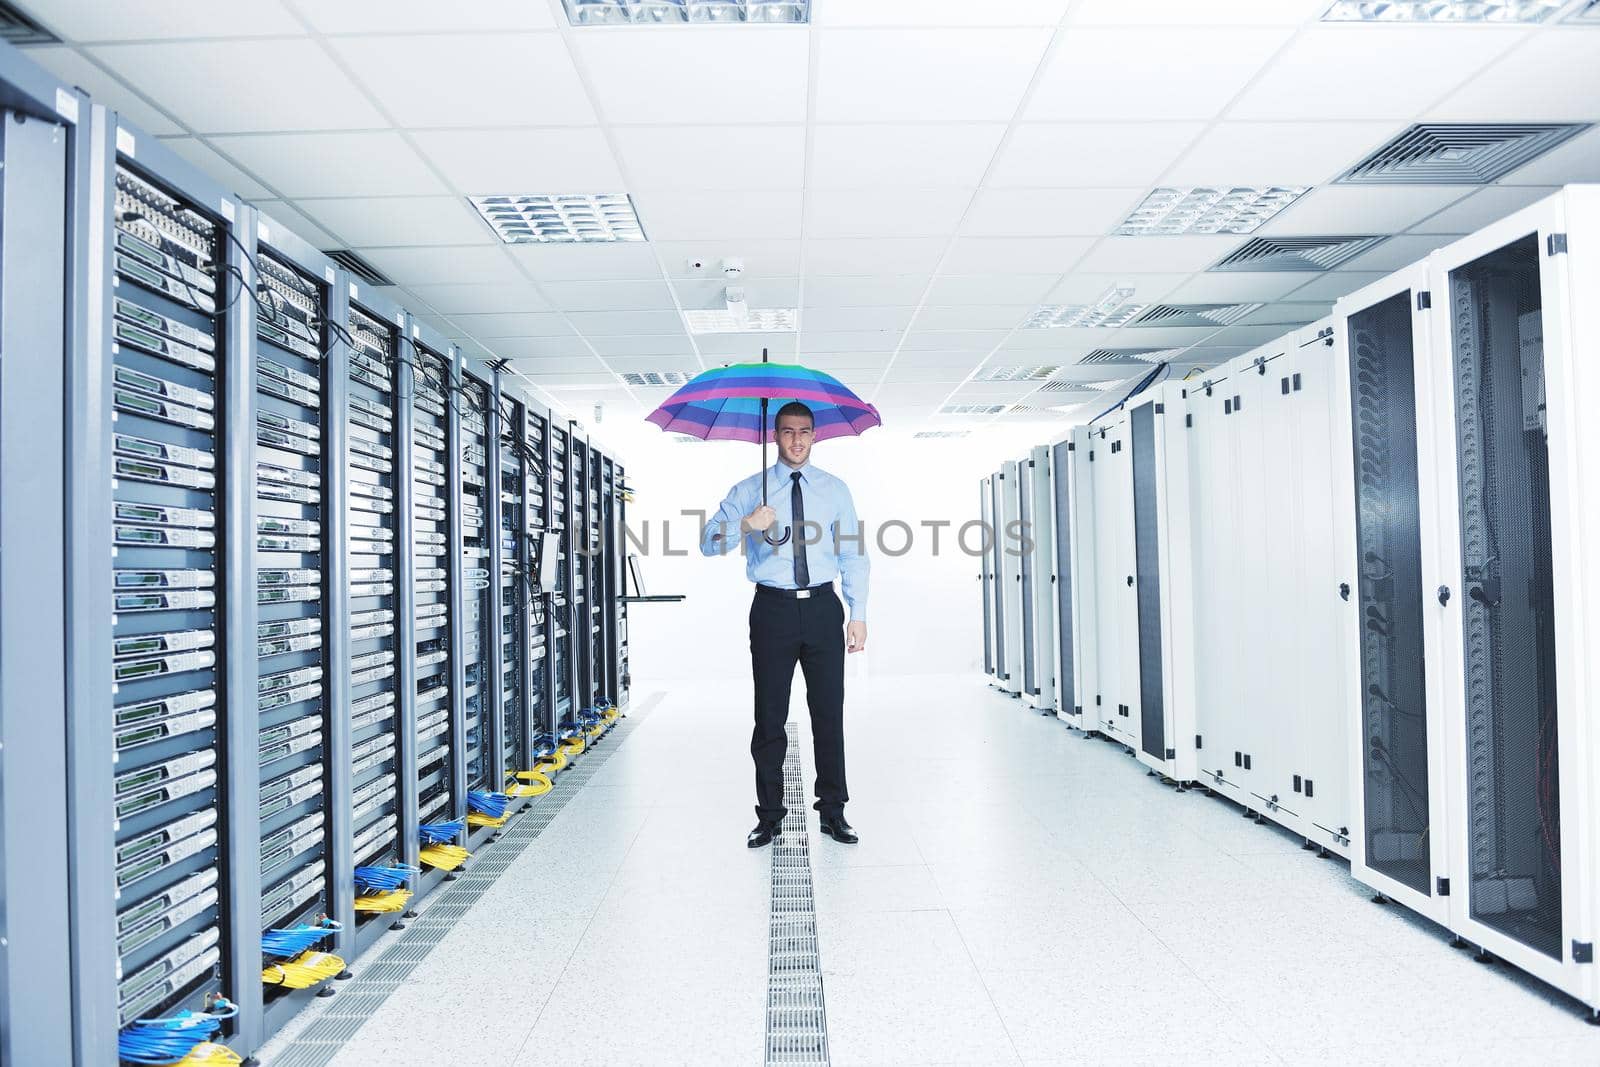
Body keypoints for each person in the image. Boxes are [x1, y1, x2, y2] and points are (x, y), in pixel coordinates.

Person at [701, 400, 869, 849]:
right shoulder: (749, 489)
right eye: (789, 431)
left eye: (805, 431)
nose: (797, 440)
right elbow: (707, 543)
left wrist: (859, 615)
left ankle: (833, 812)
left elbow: (853, 553)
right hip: (772, 610)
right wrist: (745, 524)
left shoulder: (835, 490)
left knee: (828, 714)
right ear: (774, 436)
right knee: (770, 717)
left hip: (821, 608)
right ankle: (769, 816)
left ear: (815, 436)